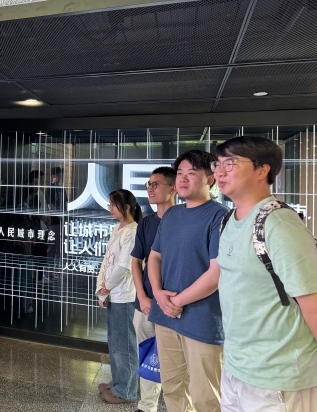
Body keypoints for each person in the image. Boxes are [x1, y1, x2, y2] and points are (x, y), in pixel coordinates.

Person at [214, 136, 317, 411]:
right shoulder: (229, 219)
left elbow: (314, 306)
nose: (219, 172)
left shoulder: (278, 223)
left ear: (262, 170)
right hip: (236, 367)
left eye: (230, 163)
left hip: (279, 376)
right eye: (217, 164)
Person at [147, 150, 228, 412]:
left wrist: (176, 301)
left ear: (210, 179)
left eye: (191, 173)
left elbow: (216, 274)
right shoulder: (172, 214)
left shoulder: (220, 216)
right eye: (180, 173)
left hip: (202, 319)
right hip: (166, 315)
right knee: (172, 387)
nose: (182, 179)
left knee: (206, 395)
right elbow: (154, 257)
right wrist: (158, 293)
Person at [129, 166, 176, 412]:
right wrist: (142, 296)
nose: (150, 188)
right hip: (145, 303)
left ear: (173, 188)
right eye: (148, 184)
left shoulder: (183, 220)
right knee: (147, 355)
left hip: (176, 305)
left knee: (175, 360)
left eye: (156, 184)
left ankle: (178, 405)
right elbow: (136, 261)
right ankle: (146, 405)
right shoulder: (146, 223)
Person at [96, 189, 142, 404]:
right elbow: (107, 262)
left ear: (126, 207)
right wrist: (101, 288)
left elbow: (124, 266)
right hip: (113, 293)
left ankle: (126, 390)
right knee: (116, 344)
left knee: (125, 346)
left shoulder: (133, 231)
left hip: (125, 295)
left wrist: (107, 287)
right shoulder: (118, 229)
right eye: (110, 205)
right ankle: (117, 383)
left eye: (113, 205)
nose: (110, 209)